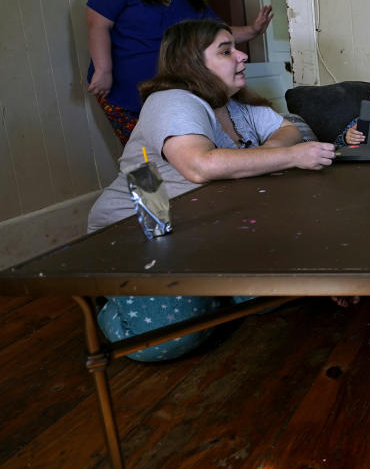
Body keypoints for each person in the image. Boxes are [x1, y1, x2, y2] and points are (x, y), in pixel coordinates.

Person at [88, 19, 336, 361]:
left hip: (196, 232)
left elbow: (288, 128)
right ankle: (105, 301)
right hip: (132, 232)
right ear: (192, 63)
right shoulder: (171, 101)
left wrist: (264, 155)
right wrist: (288, 157)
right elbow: (198, 165)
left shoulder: (235, 107)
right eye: (226, 50)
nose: (242, 55)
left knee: (270, 296)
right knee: (165, 340)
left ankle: (205, 293)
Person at [86, 0, 274, 145]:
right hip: (122, 92)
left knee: (181, 148)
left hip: (171, 93)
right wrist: (103, 70)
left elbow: (219, 33)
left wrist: (253, 30)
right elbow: (97, 25)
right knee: (144, 150)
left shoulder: (191, 1)